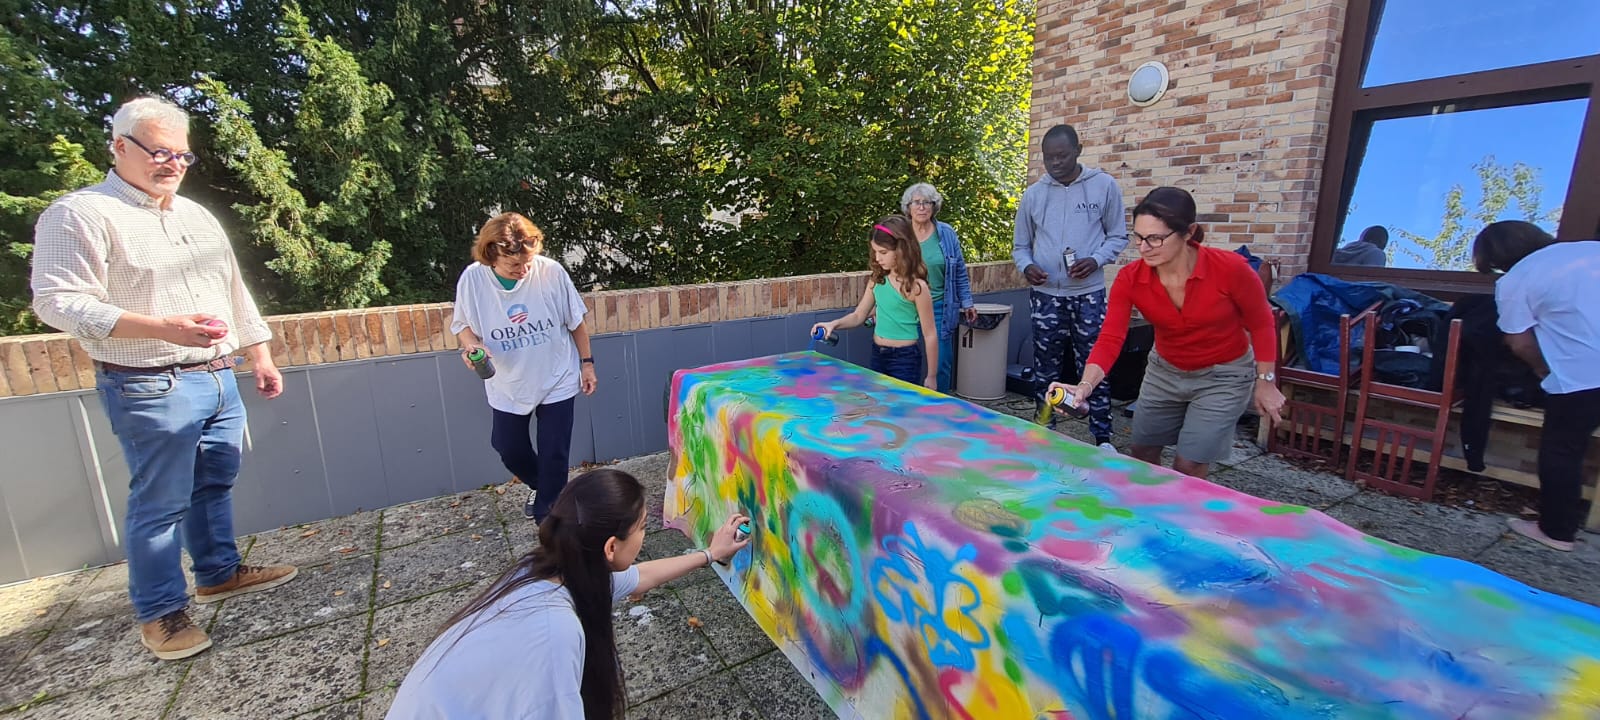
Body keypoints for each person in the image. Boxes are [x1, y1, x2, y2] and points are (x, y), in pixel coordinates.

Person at [30, 96, 297, 660]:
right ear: (119, 147)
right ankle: (161, 615)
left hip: (219, 375)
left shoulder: (196, 215)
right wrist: (159, 328)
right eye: (159, 152)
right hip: (148, 382)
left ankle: (218, 572)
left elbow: (234, 288)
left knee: (214, 482)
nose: (172, 164)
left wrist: (260, 354)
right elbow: (56, 301)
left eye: (181, 155)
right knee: (161, 503)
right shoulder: (81, 213)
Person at [387, 468, 750, 719]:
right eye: (642, 527)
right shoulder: (554, 633)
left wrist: (710, 554)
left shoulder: (547, 570)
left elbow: (639, 578)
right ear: (611, 547)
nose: (645, 535)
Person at [1050, 187, 1285, 480]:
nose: (1144, 248)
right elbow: (1111, 337)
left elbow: (1262, 324)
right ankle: (1151, 505)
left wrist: (1265, 382)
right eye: (1138, 237)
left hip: (1223, 375)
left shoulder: (1231, 270)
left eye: (1155, 238)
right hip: (1165, 371)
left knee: (1189, 464)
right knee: (1142, 453)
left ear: (1189, 232)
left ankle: (1183, 508)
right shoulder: (1131, 278)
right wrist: (1084, 386)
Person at [452, 213, 598, 523]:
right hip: (508, 383)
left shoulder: (551, 272)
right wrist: (472, 346)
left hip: (557, 376)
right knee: (508, 448)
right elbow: (462, 326)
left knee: (554, 453)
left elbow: (576, 321)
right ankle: (544, 488)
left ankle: (551, 523)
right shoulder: (473, 280)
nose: (523, 270)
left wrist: (587, 364)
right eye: (514, 265)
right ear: (491, 256)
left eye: (528, 261)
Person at [1472, 220, 1600, 551]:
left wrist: (1543, 371)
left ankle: (1557, 532)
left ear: (1496, 259)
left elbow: (1519, 342)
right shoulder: (1591, 251)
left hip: (1583, 376)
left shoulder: (1518, 279)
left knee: (1562, 450)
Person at [1012, 124, 1128, 450]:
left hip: (1088, 295)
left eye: (1062, 156)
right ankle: (1044, 428)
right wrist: (1027, 266)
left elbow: (1118, 236)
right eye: (1049, 157)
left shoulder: (1103, 186)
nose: (1055, 163)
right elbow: (1020, 246)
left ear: (1078, 150)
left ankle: (1102, 437)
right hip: (1046, 296)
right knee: (1044, 367)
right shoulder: (1034, 195)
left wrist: (1096, 259)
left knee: (1093, 365)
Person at [811, 216, 938, 388]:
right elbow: (858, 315)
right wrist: (833, 324)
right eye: (875, 252)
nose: (877, 258)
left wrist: (932, 376)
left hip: (905, 359)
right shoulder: (877, 280)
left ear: (901, 250)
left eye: (883, 252)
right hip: (878, 354)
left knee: (899, 403)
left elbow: (930, 334)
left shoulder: (917, 287)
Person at [901, 183, 977, 393]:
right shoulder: (901, 234)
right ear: (908, 207)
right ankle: (911, 405)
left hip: (939, 308)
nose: (922, 207)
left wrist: (967, 302)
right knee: (907, 361)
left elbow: (959, 270)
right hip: (906, 308)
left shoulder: (946, 233)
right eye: (917, 202)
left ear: (934, 206)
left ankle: (940, 404)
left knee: (941, 362)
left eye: (927, 202)